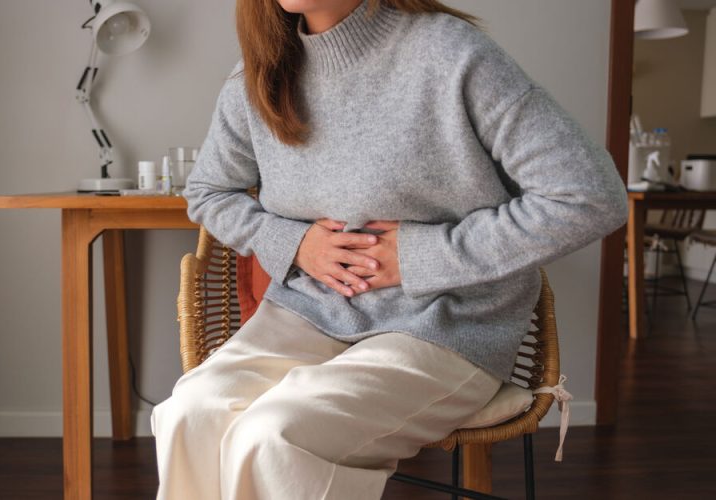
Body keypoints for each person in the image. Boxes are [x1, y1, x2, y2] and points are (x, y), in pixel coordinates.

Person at [151, 0, 629, 498]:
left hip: (445, 325)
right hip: (307, 314)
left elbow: (591, 195)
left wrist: (420, 255)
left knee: (275, 433)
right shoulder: (259, 73)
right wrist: (296, 244)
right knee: (191, 413)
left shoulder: (450, 53)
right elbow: (209, 192)